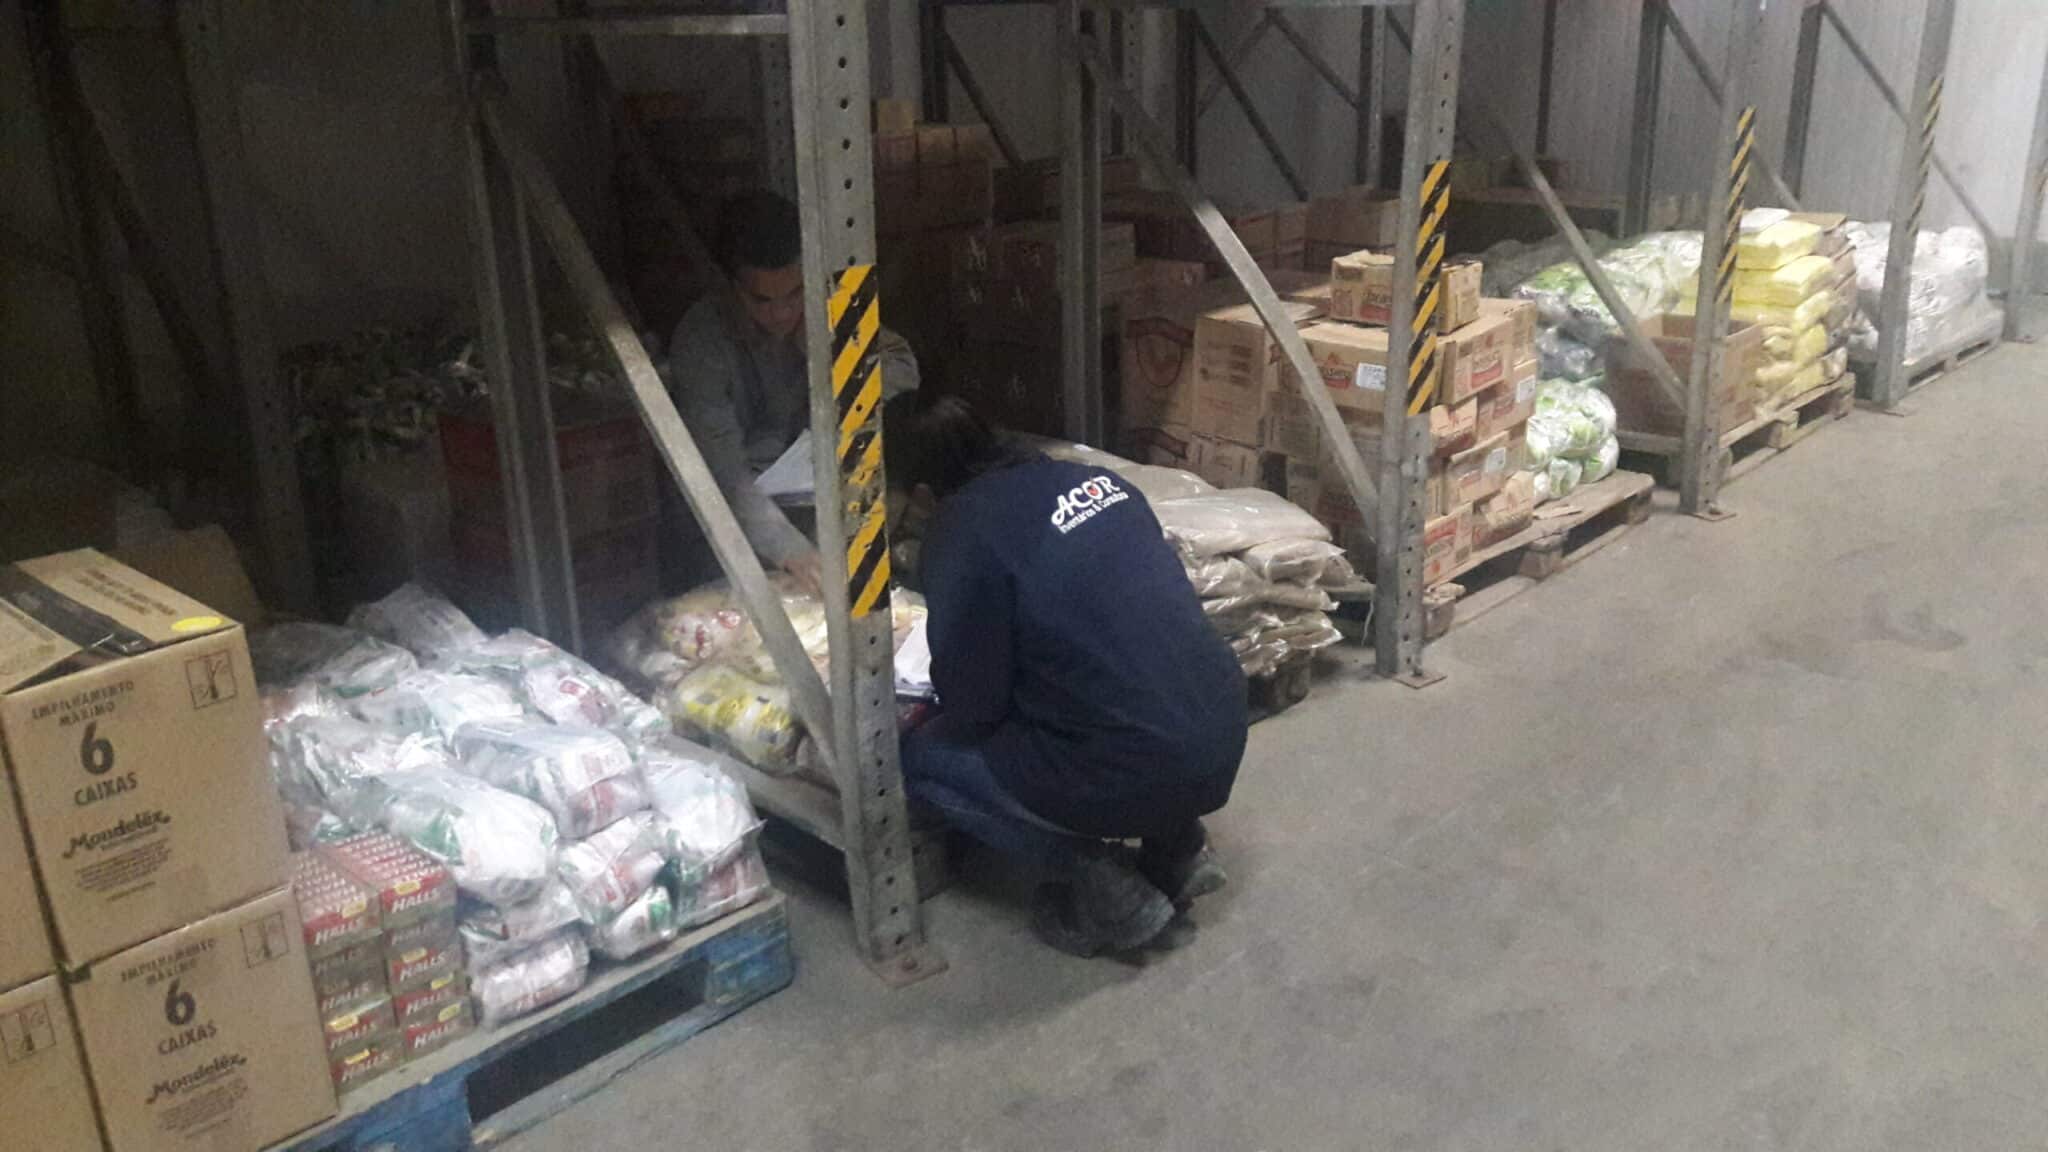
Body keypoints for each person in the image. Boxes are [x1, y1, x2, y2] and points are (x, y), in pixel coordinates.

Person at [885, 392, 1247, 958]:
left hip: (1130, 768)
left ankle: (1105, 887)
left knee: (920, 759)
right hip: (1223, 729)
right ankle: (1178, 848)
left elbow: (974, 707)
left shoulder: (959, 532)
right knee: (1125, 690)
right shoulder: (1096, 482)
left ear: (925, 493)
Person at [667, 190, 918, 591]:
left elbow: (902, 366)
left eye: (794, 294)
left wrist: (832, 370)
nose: (782, 313)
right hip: (742, 517)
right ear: (730, 287)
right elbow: (724, 473)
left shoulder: (826, 304)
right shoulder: (700, 340)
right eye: (763, 300)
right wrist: (791, 551)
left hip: (821, 492)